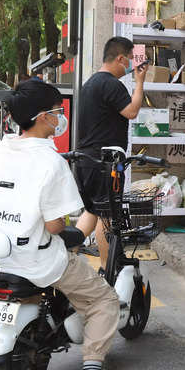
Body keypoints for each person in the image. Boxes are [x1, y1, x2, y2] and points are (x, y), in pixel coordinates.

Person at [0, 79, 138, 370]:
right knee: (103, 301)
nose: (60, 117)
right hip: (37, 259)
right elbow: (56, 225)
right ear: (43, 116)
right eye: (58, 111)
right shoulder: (50, 161)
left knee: (7, 301)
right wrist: (75, 231)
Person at [76, 37, 147, 272]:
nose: (129, 65)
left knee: (91, 212)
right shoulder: (110, 84)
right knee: (106, 215)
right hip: (105, 163)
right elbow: (132, 111)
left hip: (86, 161)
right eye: (128, 59)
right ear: (120, 58)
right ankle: (108, 272)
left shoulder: (89, 84)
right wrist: (139, 81)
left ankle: (64, 256)